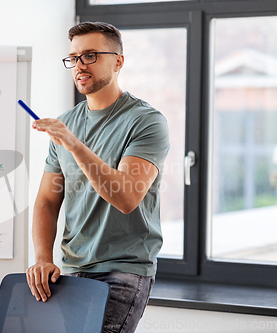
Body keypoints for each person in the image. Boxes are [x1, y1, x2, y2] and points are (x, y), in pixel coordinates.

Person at [25, 21, 170, 333]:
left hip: (123, 271)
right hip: (70, 270)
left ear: (118, 61)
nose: (80, 65)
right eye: (74, 57)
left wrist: (75, 145)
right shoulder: (65, 124)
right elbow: (47, 201)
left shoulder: (146, 122)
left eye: (90, 55)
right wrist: (41, 258)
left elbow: (127, 198)